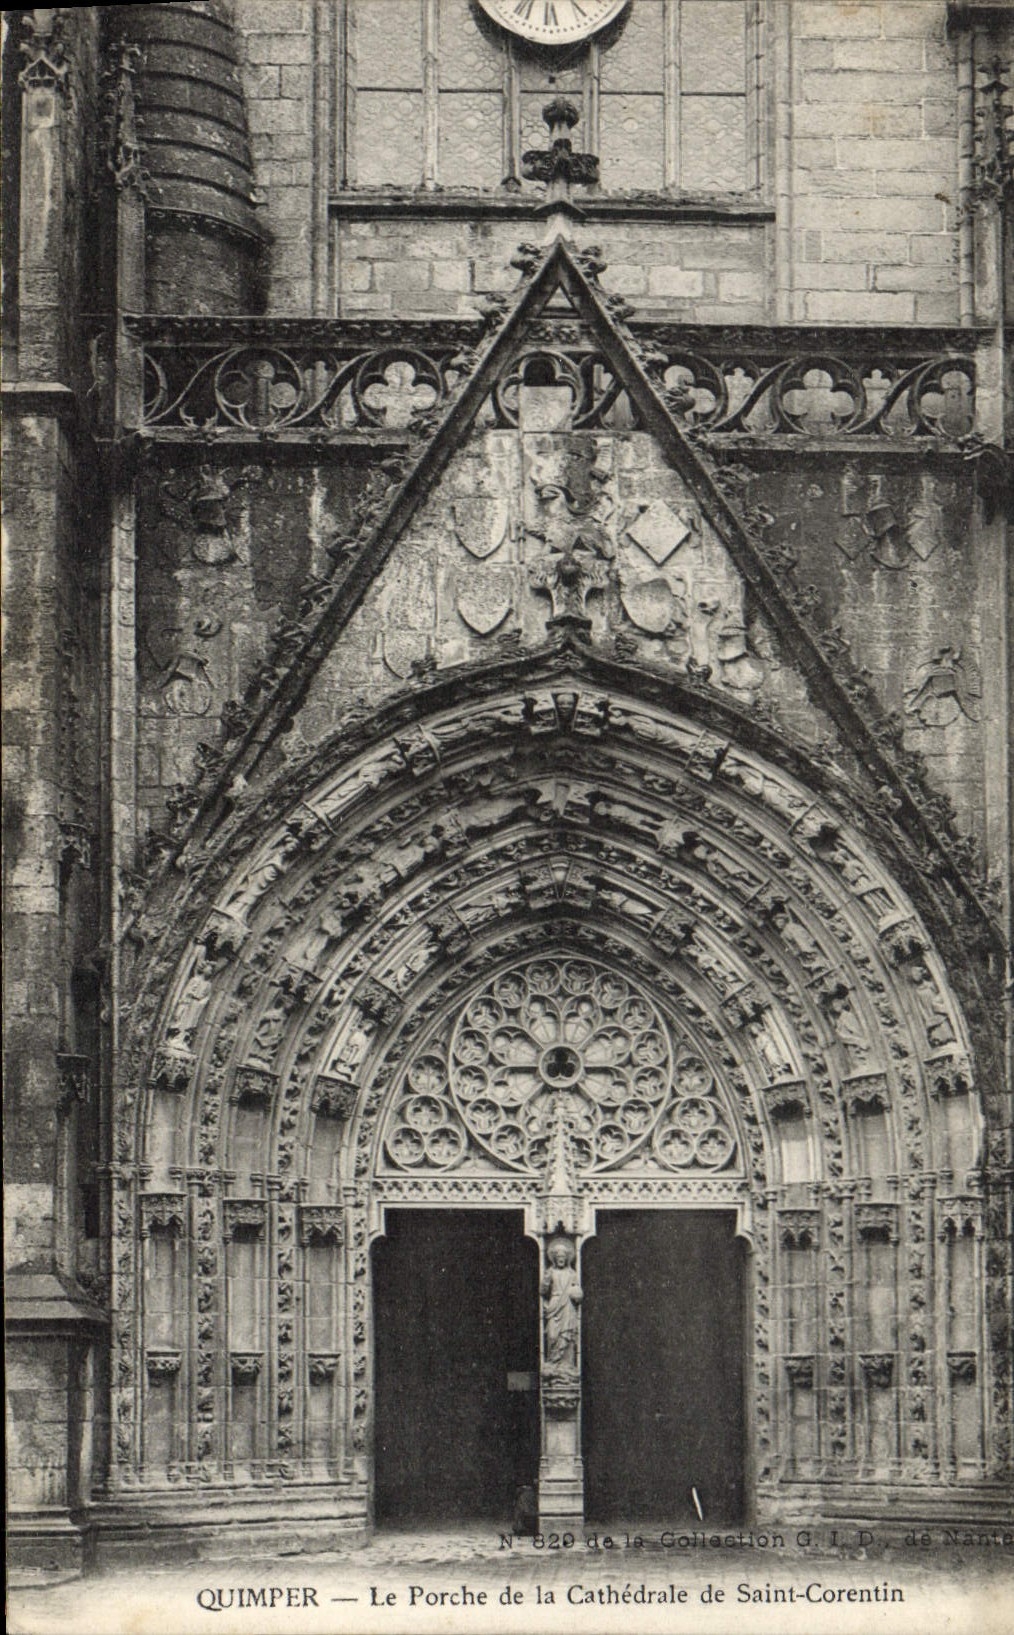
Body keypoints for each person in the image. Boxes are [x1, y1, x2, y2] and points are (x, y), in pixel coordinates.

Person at [541, 1237, 582, 1367]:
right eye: (558, 1256)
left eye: (563, 1256)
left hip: (568, 1307)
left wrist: (577, 1293)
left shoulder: (572, 1273)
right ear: (553, 1258)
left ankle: (567, 1367)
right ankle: (552, 1364)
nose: (561, 1258)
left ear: (567, 1258)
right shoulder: (550, 1272)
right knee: (552, 1336)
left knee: (567, 1336)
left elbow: (578, 1292)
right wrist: (546, 1280)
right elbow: (542, 1291)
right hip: (554, 1305)